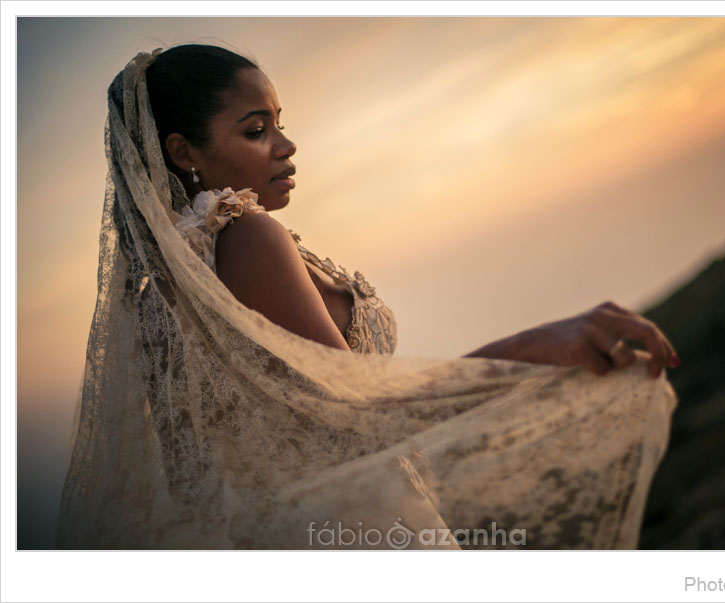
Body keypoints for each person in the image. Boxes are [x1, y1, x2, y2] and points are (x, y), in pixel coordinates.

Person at [56, 44, 679, 550]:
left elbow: (192, 481)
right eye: (255, 129)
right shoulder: (246, 238)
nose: (285, 144)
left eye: (279, 124)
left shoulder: (171, 287)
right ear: (183, 153)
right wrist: (541, 345)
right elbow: (365, 415)